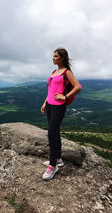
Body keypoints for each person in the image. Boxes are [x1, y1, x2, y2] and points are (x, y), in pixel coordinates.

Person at [41, 48, 82, 180]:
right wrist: (45, 102)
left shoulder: (66, 72)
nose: (53, 58)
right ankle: (58, 158)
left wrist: (65, 96)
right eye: (53, 56)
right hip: (50, 105)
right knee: (55, 131)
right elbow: (51, 90)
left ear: (62, 58)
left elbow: (78, 86)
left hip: (59, 106)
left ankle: (53, 166)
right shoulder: (54, 72)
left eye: (56, 56)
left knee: (51, 132)